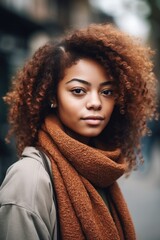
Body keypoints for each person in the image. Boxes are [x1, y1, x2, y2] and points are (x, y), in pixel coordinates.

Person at [0, 23, 158, 240]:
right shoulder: (29, 180)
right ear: (53, 97)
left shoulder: (102, 169)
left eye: (107, 91)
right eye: (78, 91)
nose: (95, 102)